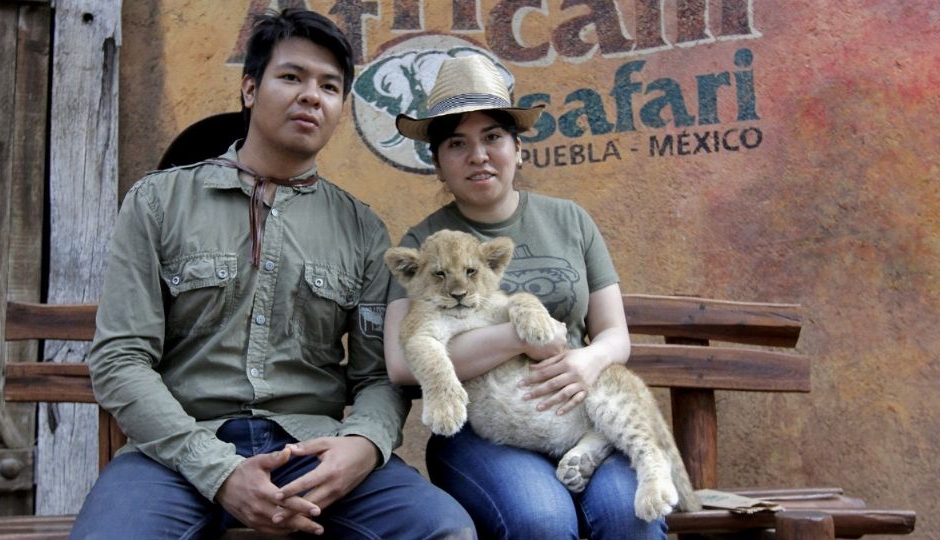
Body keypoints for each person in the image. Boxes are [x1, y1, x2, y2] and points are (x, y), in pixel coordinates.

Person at [72, 8, 474, 539]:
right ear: (249, 89)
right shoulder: (158, 202)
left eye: (329, 86)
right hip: (178, 451)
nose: (312, 95)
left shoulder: (363, 230)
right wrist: (217, 469)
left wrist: (363, 445)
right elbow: (120, 358)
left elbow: (379, 375)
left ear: (338, 109)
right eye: (291, 77)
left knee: (443, 530)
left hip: (314, 450)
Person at [384, 55, 667, 540]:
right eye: (457, 143)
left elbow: (615, 333)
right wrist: (519, 338)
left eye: (492, 137)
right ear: (437, 163)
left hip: (579, 409)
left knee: (629, 516)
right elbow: (402, 364)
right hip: (484, 429)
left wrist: (588, 361)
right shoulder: (424, 242)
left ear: (518, 149)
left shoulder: (571, 221)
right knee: (542, 519)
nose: (478, 155)